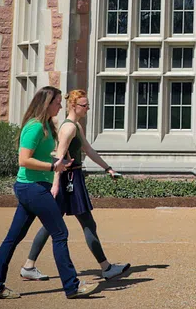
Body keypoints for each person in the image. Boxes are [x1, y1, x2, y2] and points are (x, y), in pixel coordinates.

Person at [0, 85, 94, 299]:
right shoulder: (35, 127)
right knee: (60, 234)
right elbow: (23, 160)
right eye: (57, 102)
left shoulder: (45, 126)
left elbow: (40, 158)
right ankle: (72, 286)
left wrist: (59, 162)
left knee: (12, 239)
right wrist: (53, 167)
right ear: (47, 103)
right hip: (33, 189)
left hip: (32, 188)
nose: (60, 105)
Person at [20, 89, 130, 282]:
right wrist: (55, 185)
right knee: (86, 223)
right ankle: (106, 267)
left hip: (73, 178)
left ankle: (29, 265)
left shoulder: (75, 126)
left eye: (87, 105)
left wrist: (108, 168)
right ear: (73, 106)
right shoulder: (68, 128)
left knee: (52, 224)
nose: (87, 108)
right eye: (84, 105)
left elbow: (88, 149)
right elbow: (58, 156)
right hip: (68, 180)